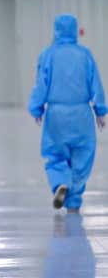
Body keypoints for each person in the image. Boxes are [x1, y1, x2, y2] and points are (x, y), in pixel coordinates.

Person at [28, 14, 107, 213]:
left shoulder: (48, 55)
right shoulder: (85, 54)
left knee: (55, 154)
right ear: (75, 30)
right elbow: (95, 83)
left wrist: (37, 108)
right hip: (82, 113)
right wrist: (100, 110)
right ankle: (73, 201)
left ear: (55, 30)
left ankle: (61, 183)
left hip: (56, 114)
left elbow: (41, 84)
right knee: (83, 155)